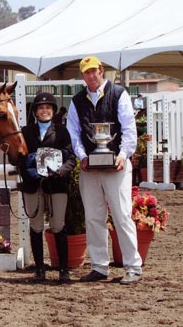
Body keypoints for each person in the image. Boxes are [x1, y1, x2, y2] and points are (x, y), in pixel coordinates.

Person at [66, 56, 142, 285]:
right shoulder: (77, 100)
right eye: (86, 73)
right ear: (82, 76)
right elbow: (73, 133)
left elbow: (129, 129)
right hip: (91, 168)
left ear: (101, 71)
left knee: (122, 215)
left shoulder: (119, 94)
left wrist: (122, 155)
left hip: (117, 165)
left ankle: (133, 267)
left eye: (94, 71)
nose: (91, 76)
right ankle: (99, 266)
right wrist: (82, 157)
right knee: (93, 217)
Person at [18, 92, 76, 283]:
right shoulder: (26, 132)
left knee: (58, 225)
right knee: (35, 226)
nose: (45, 111)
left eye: (48, 108)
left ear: (53, 111)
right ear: (36, 111)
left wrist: (61, 172)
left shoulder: (62, 131)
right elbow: (20, 159)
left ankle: (63, 270)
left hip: (56, 183)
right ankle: (40, 269)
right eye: (41, 108)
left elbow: (70, 158)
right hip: (34, 183)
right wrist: (31, 172)